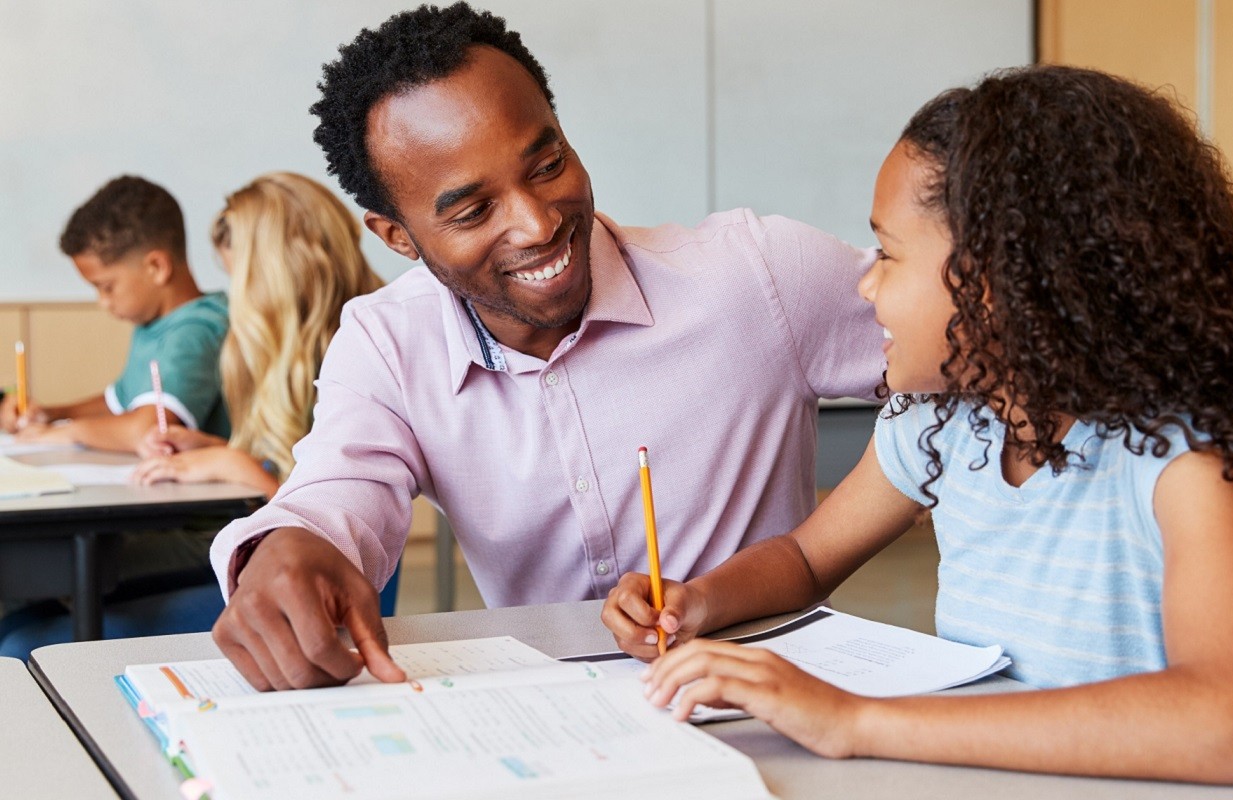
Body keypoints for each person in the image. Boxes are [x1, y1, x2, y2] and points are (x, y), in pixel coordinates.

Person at [602, 66, 1233, 784]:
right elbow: (803, 558)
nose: (865, 285)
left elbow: (1228, 725)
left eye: (888, 256)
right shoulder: (944, 423)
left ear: (995, 280)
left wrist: (857, 721)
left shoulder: (1182, 462)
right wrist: (701, 600)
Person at [207, 2, 884, 692]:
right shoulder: (387, 343)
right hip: (558, 729)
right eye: (473, 212)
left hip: (773, 710)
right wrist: (283, 548)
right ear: (397, 237)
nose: (537, 224)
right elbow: (336, 492)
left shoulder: (754, 275)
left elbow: (973, 346)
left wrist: (828, 544)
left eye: (548, 163)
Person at [131, 172, 384, 496]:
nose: (237, 299)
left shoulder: (360, 356)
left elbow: (327, 514)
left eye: (244, 282)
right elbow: (289, 465)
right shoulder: (296, 351)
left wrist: (231, 464)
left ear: (283, 273)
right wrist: (214, 449)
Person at [1, 175, 230, 451]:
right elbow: (119, 404)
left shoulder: (197, 330)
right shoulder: (153, 322)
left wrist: (71, 432)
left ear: (156, 267)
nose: (103, 302)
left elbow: (148, 429)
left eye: (106, 287)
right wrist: (53, 414)